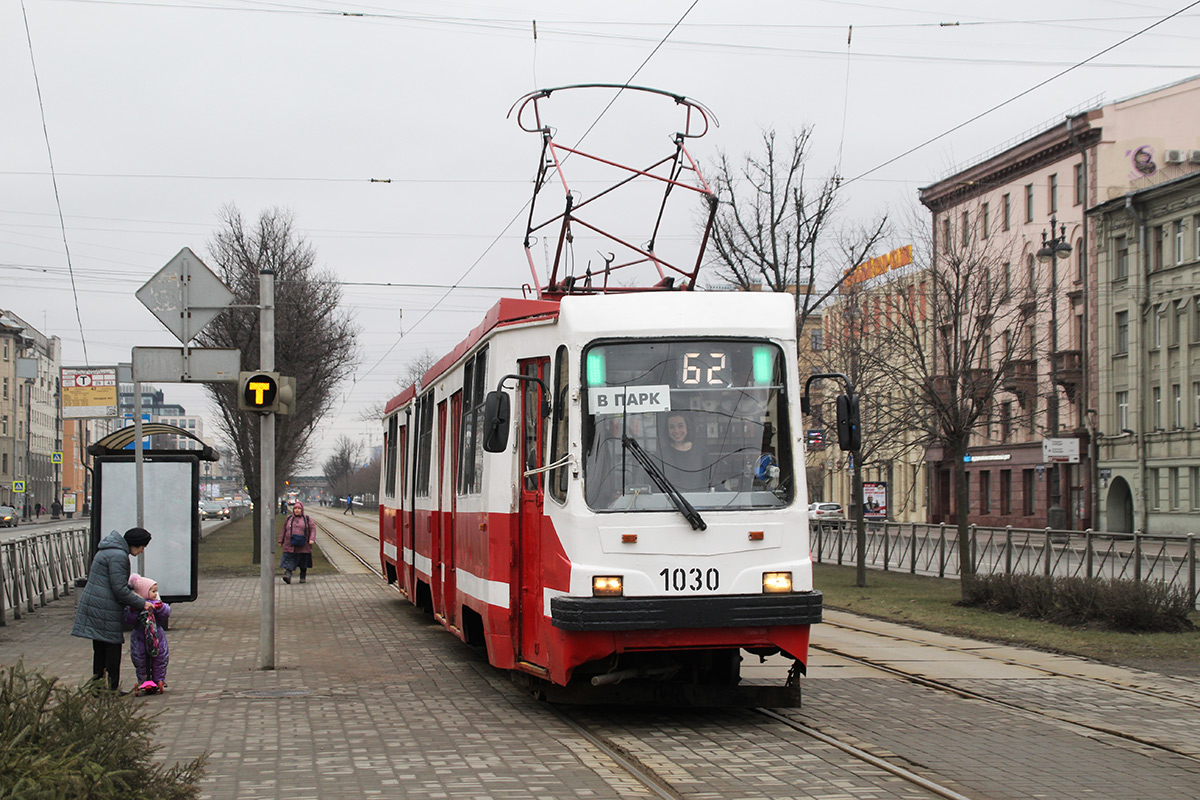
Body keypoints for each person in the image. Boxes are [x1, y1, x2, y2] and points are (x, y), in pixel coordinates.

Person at [71, 527, 153, 692]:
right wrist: (141, 603)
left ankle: (97, 688)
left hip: (95, 603)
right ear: (135, 544)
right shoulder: (119, 556)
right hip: (104, 607)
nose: (142, 550)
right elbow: (119, 590)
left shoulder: (110, 550)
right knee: (113, 648)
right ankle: (112, 689)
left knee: (100, 648)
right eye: (142, 547)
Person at [122, 573, 171, 695]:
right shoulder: (135, 605)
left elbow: (166, 613)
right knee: (140, 658)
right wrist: (135, 611)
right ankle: (143, 679)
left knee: (160, 657)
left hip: (156, 636)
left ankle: (158, 678)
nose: (155, 594)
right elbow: (128, 619)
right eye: (153, 591)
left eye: (156, 591)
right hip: (140, 636)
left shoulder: (157, 603)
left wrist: (160, 608)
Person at [660, 412, 709, 492]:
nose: (676, 431)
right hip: (671, 502)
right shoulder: (661, 454)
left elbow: (709, 481)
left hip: (698, 501)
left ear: (688, 427)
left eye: (681, 426)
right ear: (667, 430)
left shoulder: (701, 452)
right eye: (672, 427)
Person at [279, 500, 315, 584]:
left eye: (299, 509)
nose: (297, 510)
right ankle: (288, 575)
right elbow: (284, 529)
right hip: (290, 544)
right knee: (289, 559)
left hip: (304, 544)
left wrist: (311, 539)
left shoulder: (307, 519)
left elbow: (312, 529)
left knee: (303, 561)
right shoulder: (289, 518)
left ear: (302, 510)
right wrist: (281, 540)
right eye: (295, 509)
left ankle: (302, 576)